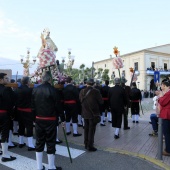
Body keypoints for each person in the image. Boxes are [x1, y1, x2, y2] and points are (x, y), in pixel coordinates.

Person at [32, 71, 64, 170]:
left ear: (42, 79)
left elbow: (32, 106)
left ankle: (39, 166)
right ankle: (51, 166)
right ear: (50, 79)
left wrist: (34, 118)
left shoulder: (35, 90)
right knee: (50, 142)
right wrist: (63, 118)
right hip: (50, 120)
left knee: (39, 142)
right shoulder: (54, 90)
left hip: (39, 119)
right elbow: (58, 106)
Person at [79, 78, 103, 151]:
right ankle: (90, 145)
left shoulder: (82, 91)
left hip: (85, 112)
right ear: (93, 84)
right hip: (93, 113)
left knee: (86, 128)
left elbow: (80, 101)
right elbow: (101, 102)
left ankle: (86, 143)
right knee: (91, 130)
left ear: (86, 83)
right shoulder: (96, 91)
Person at [15, 76, 35, 150]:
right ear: (27, 82)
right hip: (27, 110)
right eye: (29, 80)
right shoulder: (30, 90)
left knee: (21, 126)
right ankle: (30, 145)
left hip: (19, 110)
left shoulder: (17, 89)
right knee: (29, 127)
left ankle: (21, 142)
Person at [0, 73, 16, 162]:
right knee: (4, 134)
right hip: (3, 114)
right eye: (5, 78)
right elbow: (10, 103)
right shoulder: (5, 89)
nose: (7, 80)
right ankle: (5, 155)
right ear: (1, 80)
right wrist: (11, 114)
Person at [158, 80, 170, 156]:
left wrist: (160, 98)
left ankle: (168, 150)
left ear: (165, 86)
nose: (161, 86)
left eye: (162, 85)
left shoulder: (168, 94)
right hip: (166, 114)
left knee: (167, 133)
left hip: (167, 115)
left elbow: (162, 102)